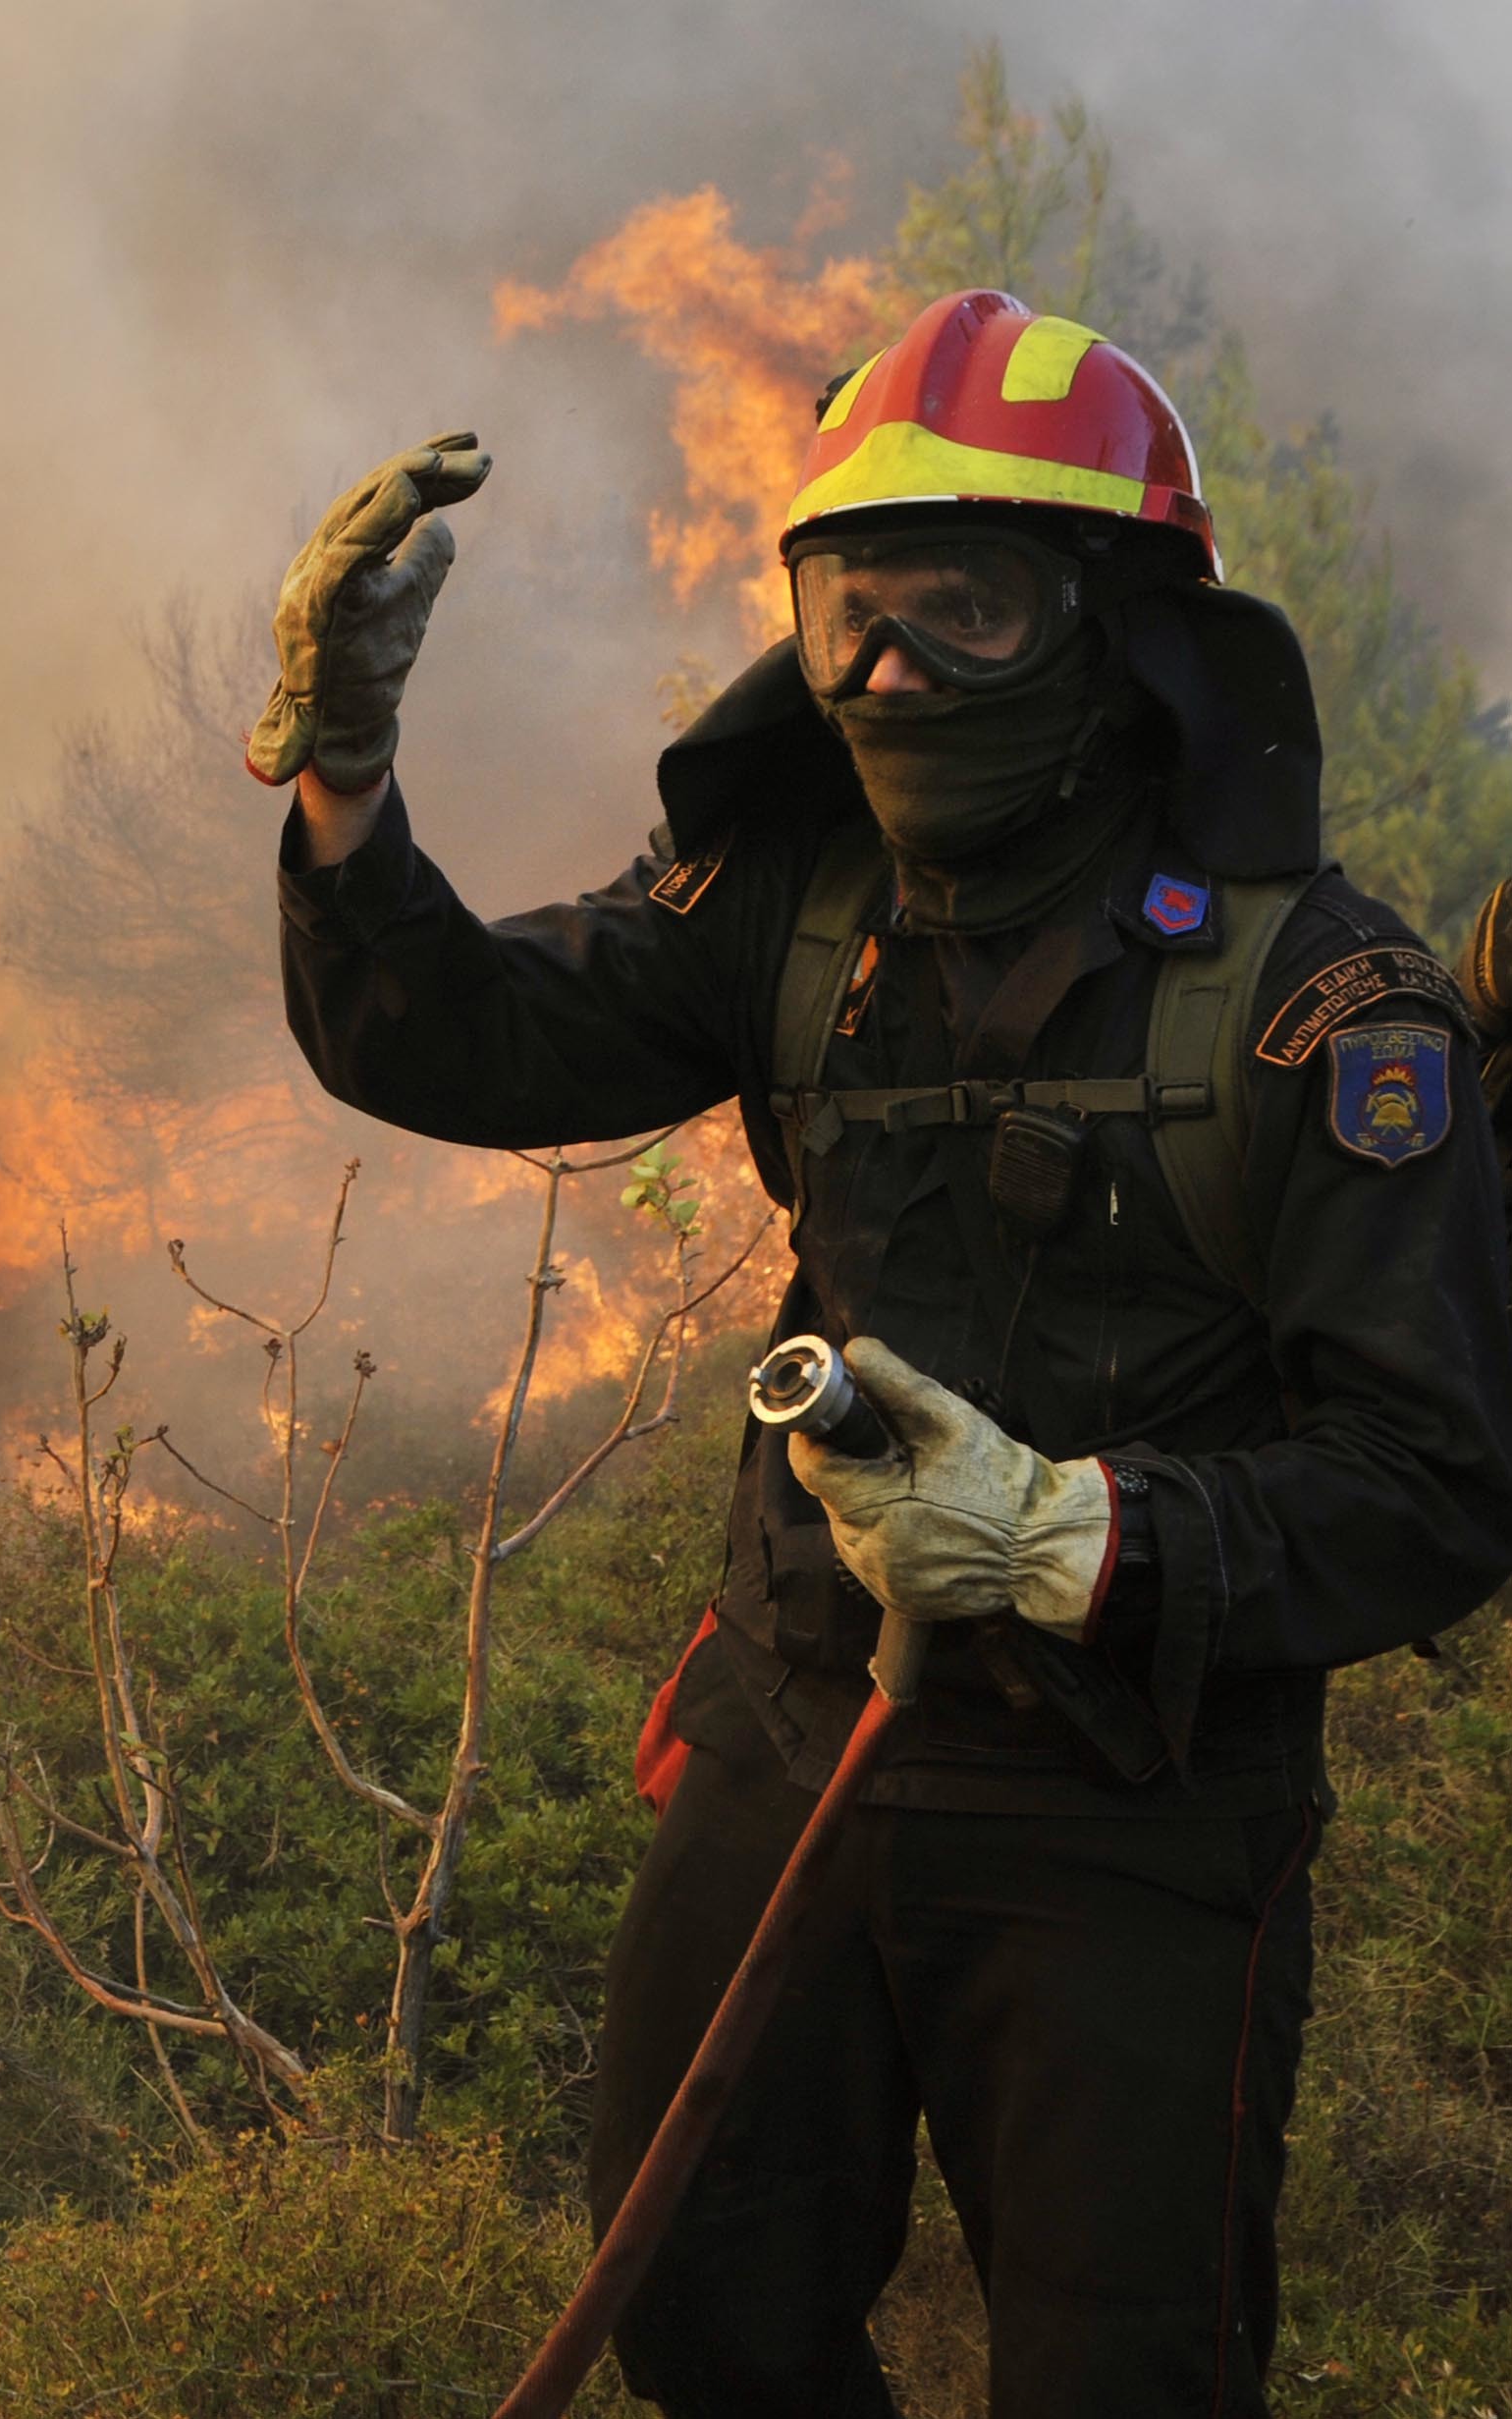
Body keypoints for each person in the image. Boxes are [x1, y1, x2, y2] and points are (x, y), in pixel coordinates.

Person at [260, 289, 1512, 2417]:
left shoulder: (1325, 1005)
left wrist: (1065, 1533)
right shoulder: (787, 895)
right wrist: (346, 776)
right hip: (788, 1737)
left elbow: (1431, 1479)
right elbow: (452, 1032)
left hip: (1130, 1801)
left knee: (1124, 2378)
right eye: (846, 609)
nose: (884, 674)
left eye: (965, 609)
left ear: (1111, 624)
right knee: (706, 2314)